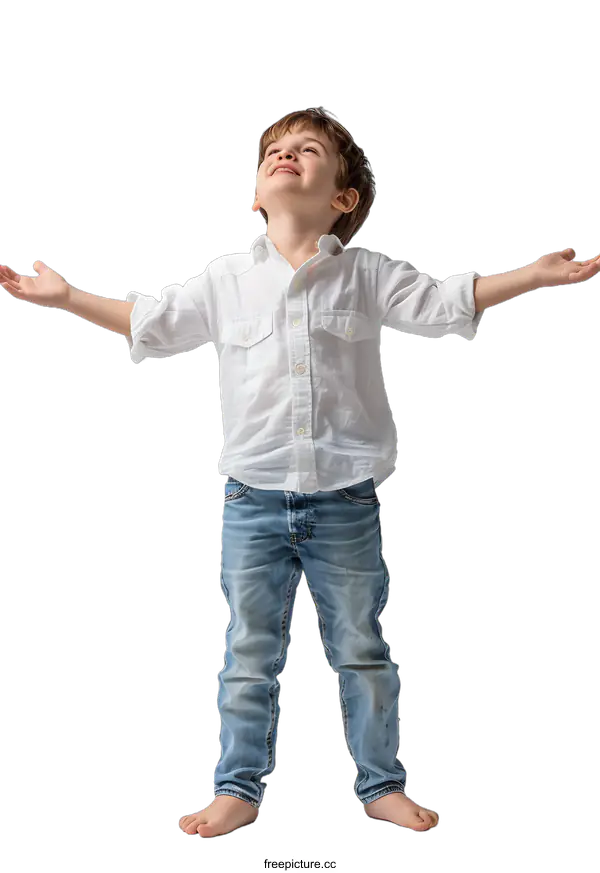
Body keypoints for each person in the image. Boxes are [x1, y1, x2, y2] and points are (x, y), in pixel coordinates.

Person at [4, 107, 487, 839]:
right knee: (249, 651)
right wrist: (68, 297)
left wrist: (534, 274)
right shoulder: (227, 279)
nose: (287, 155)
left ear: (344, 196)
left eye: (308, 149)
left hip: (347, 500)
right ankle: (238, 788)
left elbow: (444, 304)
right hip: (251, 499)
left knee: (362, 650)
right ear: (257, 192)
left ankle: (382, 783)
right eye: (274, 151)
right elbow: (153, 323)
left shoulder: (366, 274)